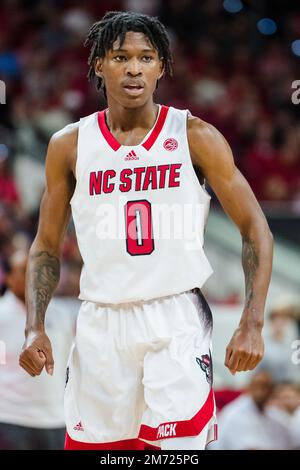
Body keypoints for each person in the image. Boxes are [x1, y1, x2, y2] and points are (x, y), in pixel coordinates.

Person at [19, 11, 273, 450]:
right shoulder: (70, 144)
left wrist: (252, 322)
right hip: (100, 319)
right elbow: (45, 248)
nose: (134, 68)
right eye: (120, 57)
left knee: (171, 454)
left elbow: (255, 229)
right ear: (99, 64)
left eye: (146, 57)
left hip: (174, 316)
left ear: (161, 67)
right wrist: (33, 327)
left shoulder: (195, 136)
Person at [0, 251, 76, 449]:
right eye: (23, 272)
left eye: (34, 272)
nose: (30, 279)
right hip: (11, 418)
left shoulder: (61, 313)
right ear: (7, 278)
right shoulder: (1, 315)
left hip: (55, 418)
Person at [212, 371, 293, 450]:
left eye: (265, 386)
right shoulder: (235, 413)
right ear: (249, 387)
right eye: (257, 386)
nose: (260, 391)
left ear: (272, 390)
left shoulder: (273, 413)